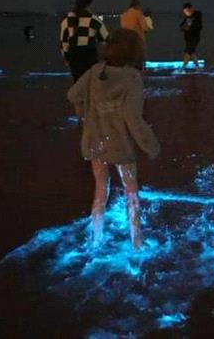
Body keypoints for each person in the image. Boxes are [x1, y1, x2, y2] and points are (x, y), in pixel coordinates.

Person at [67, 28, 160, 250]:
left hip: (94, 140)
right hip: (120, 144)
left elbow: (72, 95)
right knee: (131, 190)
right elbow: (132, 117)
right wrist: (150, 145)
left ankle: (96, 239)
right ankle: (137, 242)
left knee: (100, 188)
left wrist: (83, 114)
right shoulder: (132, 78)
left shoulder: (95, 71)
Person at [60, 0, 109, 82]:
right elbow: (106, 38)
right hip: (89, 57)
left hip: (74, 58)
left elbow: (64, 43)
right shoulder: (94, 20)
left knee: (78, 84)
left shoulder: (66, 21)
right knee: (90, 84)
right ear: (89, 3)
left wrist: (67, 58)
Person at [180, 2, 202, 69]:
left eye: (186, 11)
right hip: (188, 37)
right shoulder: (188, 17)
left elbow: (197, 26)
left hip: (194, 38)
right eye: (184, 11)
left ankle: (183, 67)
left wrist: (187, 26)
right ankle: (198, 67)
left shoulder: (196, 16)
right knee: (192, 52)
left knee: (188, 52)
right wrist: (185, 27)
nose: (185, 13)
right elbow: (183, 26)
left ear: (190, 9)